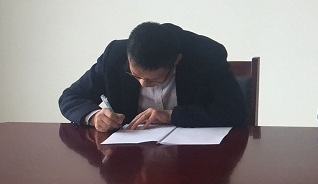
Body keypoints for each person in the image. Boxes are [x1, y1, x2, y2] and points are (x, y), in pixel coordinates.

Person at [59, 22, 247, 131]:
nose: (143, 83)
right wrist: (94, 117)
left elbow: (235, 112)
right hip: (130, 158)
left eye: (153, 80)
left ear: (176, 61)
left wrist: (171, 116)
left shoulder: (206, 55)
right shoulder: (114, 55)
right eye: (135, 75)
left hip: (194, 158)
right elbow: (70, 97)